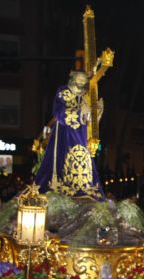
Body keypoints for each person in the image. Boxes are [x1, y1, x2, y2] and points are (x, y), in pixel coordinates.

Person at [34, 71, 104, 199]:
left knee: (82, 158)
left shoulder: (85, 97)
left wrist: (97, 113)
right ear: (73, 78)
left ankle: (83, 189)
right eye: (79, 78)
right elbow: (58, 113)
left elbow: (88, 121)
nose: (82, 81)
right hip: (64, 132)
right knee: (62, 159)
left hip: (80, 134)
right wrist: (79, 113)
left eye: (84, 80)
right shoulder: (63, 92)